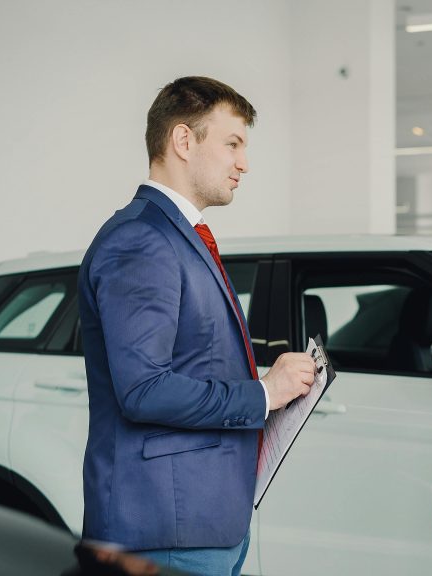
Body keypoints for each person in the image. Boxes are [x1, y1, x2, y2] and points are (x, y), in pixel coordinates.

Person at [78, 76, 316, 576]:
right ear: (184, 141)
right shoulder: (141, 240)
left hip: (205, 523)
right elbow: (143, 389)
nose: (243, 163)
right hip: (164, 532)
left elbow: (193, 361)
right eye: (233, 144)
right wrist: (263, 393)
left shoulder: (178, 235)